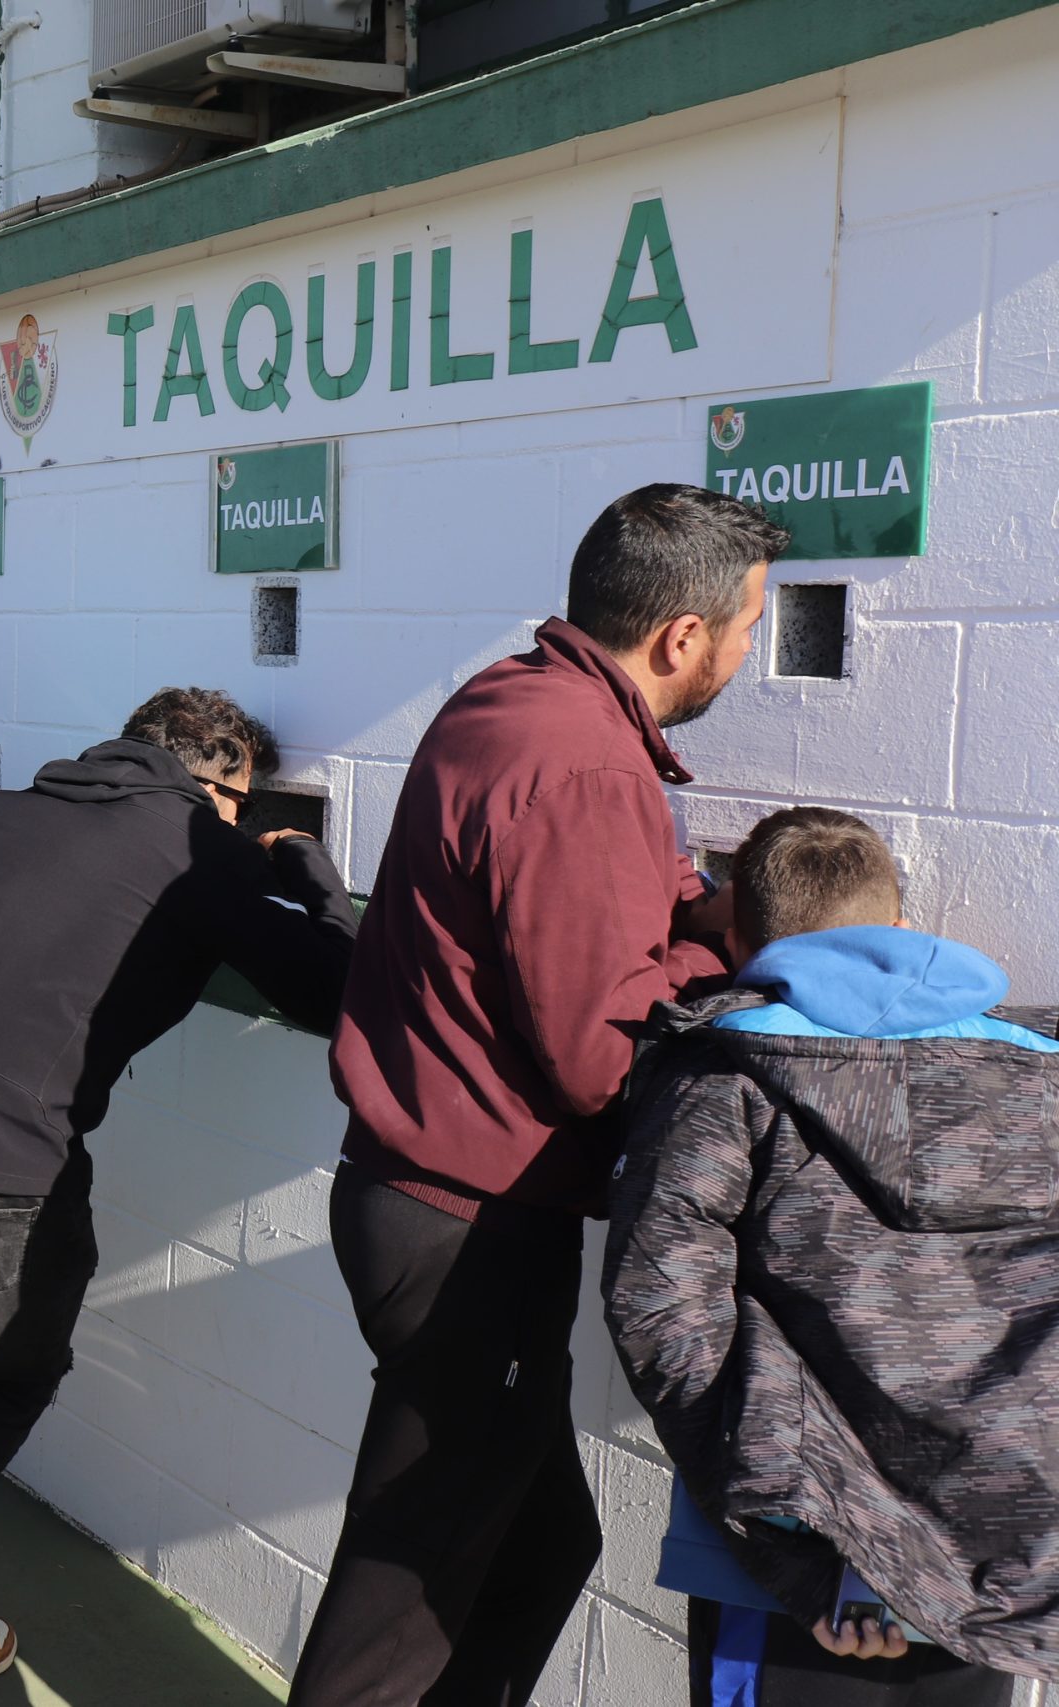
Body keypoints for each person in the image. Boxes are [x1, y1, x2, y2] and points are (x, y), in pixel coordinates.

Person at [291, 483, 789, 1706]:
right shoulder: (586, 766)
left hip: (417, 1203)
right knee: (397, 1607)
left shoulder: (506, 701)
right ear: (681, 637)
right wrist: (717, 956)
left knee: (537, 1545)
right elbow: (592, 1053)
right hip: (468, 1228)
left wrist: (672, 903)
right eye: (746, 628)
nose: (745, 653)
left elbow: (545, 899)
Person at [0, 688, 361, 1703]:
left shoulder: (1, 811)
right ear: (212, 780)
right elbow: (338, 990)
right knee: (12, 1377)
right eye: (242, 800)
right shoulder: (200, 846)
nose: (240, 818)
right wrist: (310, 874)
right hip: (2, 1169)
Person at [605, 808, 1050, 1703]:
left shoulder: (725, 1073)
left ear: (738, 941)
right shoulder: (1042, 1074)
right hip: (998, 1565)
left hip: (796, 1570)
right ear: (899, 921)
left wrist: (800, 1561)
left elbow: (659, 1309)